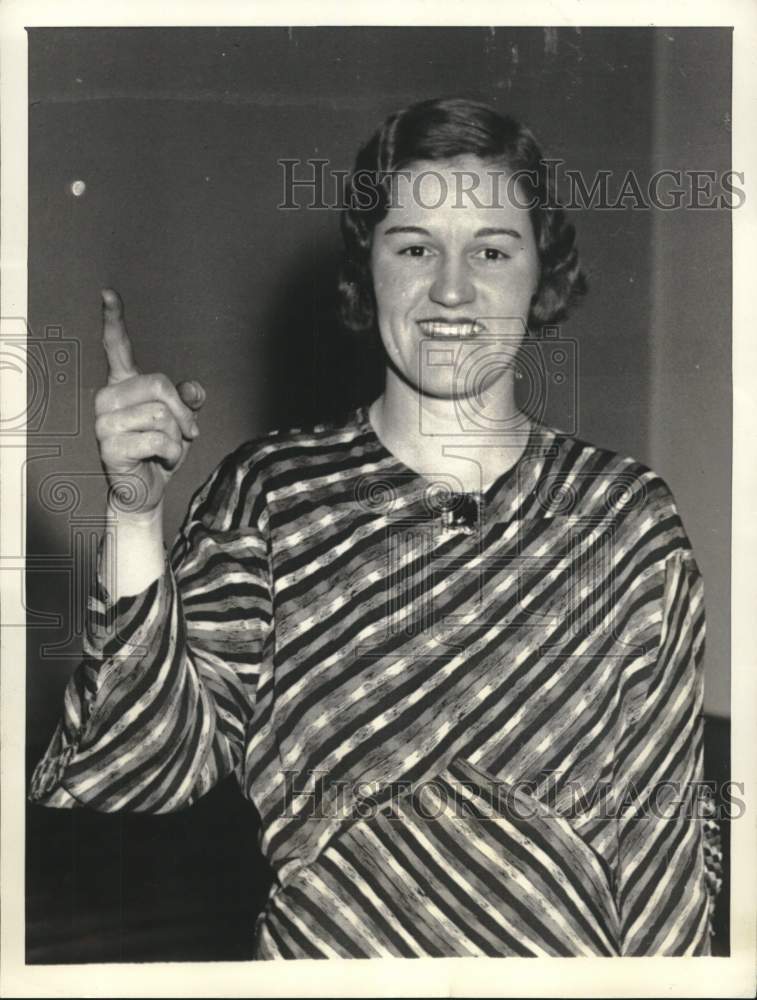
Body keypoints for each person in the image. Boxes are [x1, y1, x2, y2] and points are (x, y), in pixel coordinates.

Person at [30, 97, 721, 958]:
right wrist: (135, 515)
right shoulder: (271, 496)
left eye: (493, 250)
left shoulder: (626, 521)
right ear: (370, 267)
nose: (452, 288)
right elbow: (134, 769)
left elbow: (667, 876)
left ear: (541, 274)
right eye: (415, 247)